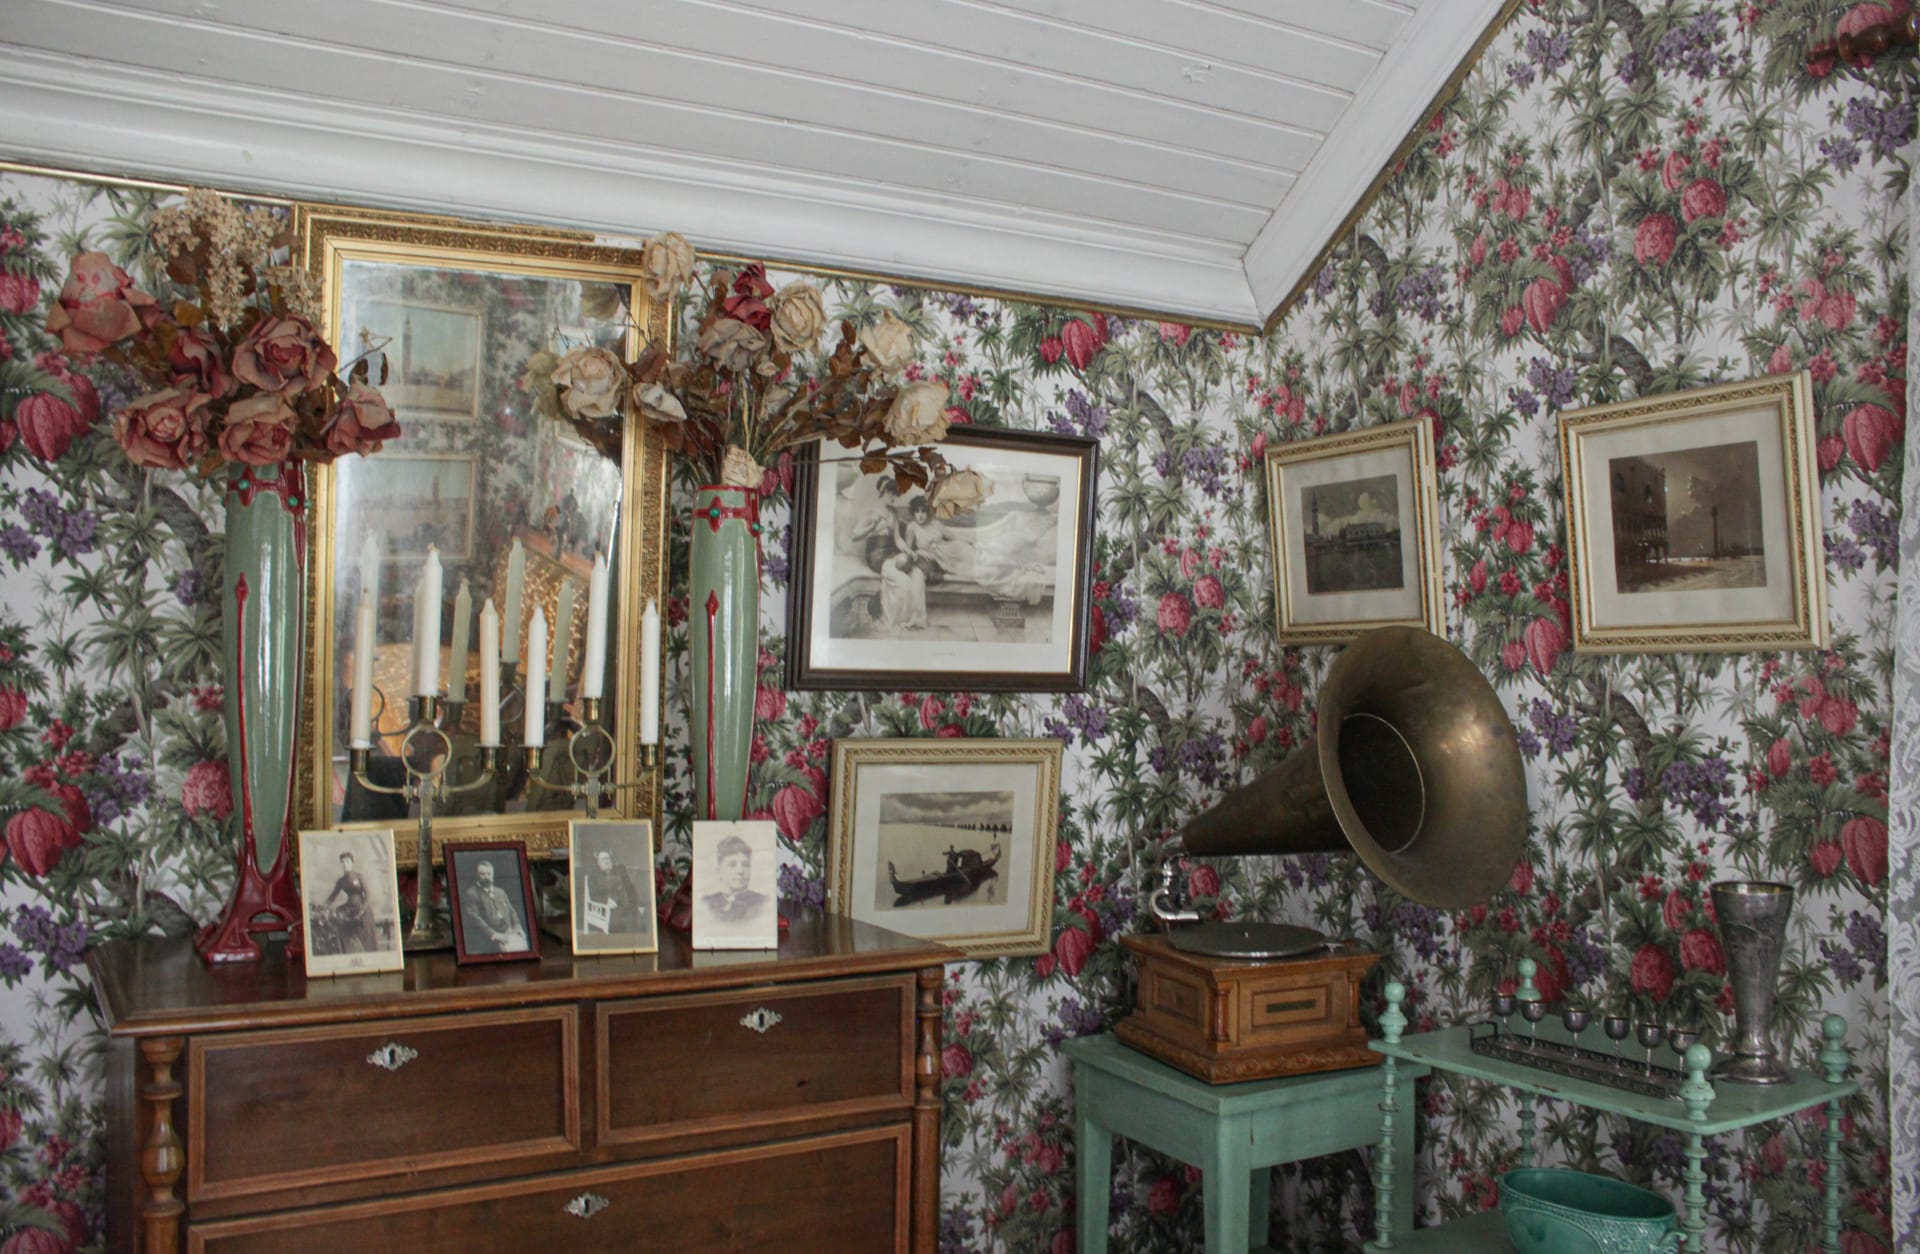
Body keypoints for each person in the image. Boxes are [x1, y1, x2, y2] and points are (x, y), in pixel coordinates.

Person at [461, 857, 529, 954]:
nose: (486, 877)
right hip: (487, 937)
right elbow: (474, 918)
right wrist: (494, 934)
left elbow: (511, 911)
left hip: (508, 932)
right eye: (482, 874)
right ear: (477, 875)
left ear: (493, 875)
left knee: (523, 946)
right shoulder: (472, 894)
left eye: (489, 874)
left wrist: (518, 927)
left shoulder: (500, 892)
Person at [698, 834, 768, 925]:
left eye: (745, 865)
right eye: (732, 864)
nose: (740, 871)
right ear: (719, 870)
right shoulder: (706, 903)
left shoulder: (762, 903)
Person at [578, 846, 644, 935]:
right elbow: (593, 895)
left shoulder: (620, 870)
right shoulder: (594, 876)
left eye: (607, 858)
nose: (606, 861)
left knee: (639, 921)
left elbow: (630, 887)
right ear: (598, 863)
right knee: (622, 923)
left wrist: (638, 904)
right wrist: (606, 901)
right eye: (602, 859)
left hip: (626, 905)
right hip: (609, 908)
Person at [321, 850, 377, 953]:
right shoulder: (341, 880)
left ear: (352, 863)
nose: (345, 864)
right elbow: (332, 897)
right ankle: (347, 950)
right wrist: (323, 906)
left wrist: (363, 909)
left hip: (361, 908)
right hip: (349, 908)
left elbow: (368, 895)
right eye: (342, 862)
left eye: (347, 861)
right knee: (339, 917)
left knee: (364, 925)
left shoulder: (359, 876)